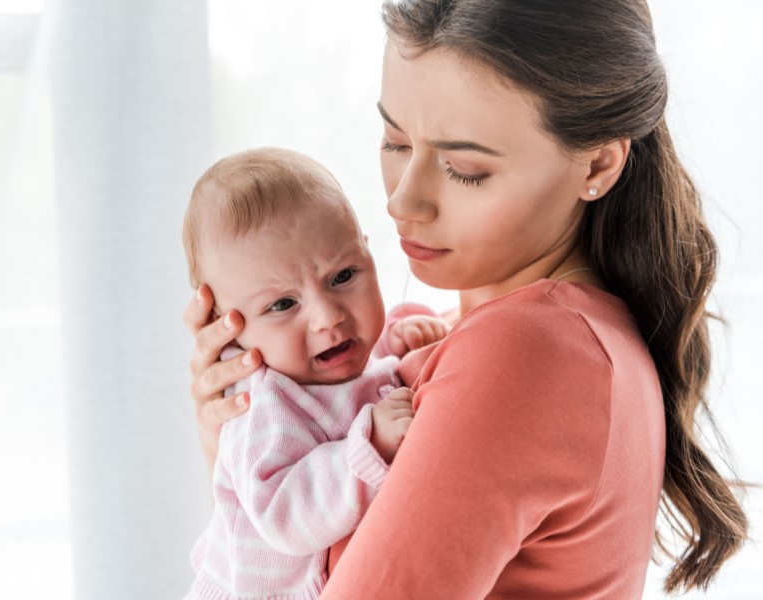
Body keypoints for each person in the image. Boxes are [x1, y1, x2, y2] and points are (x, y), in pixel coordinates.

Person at [184, 1, 749, 597]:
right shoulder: (453, 336)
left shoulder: (528, 351)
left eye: (462, 168)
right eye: (394, 142)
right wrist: (241, 445)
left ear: (600, 161)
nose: (402, 201)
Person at [182, 147, 448, 599]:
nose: (328, 317)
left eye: (343, 275)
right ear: (230, 332)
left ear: (367, 250)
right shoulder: (265, 405)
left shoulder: (326, 363)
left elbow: (356, 386)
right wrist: (368, 447)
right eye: (283, 304)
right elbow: (284, 512)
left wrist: (395, 345)